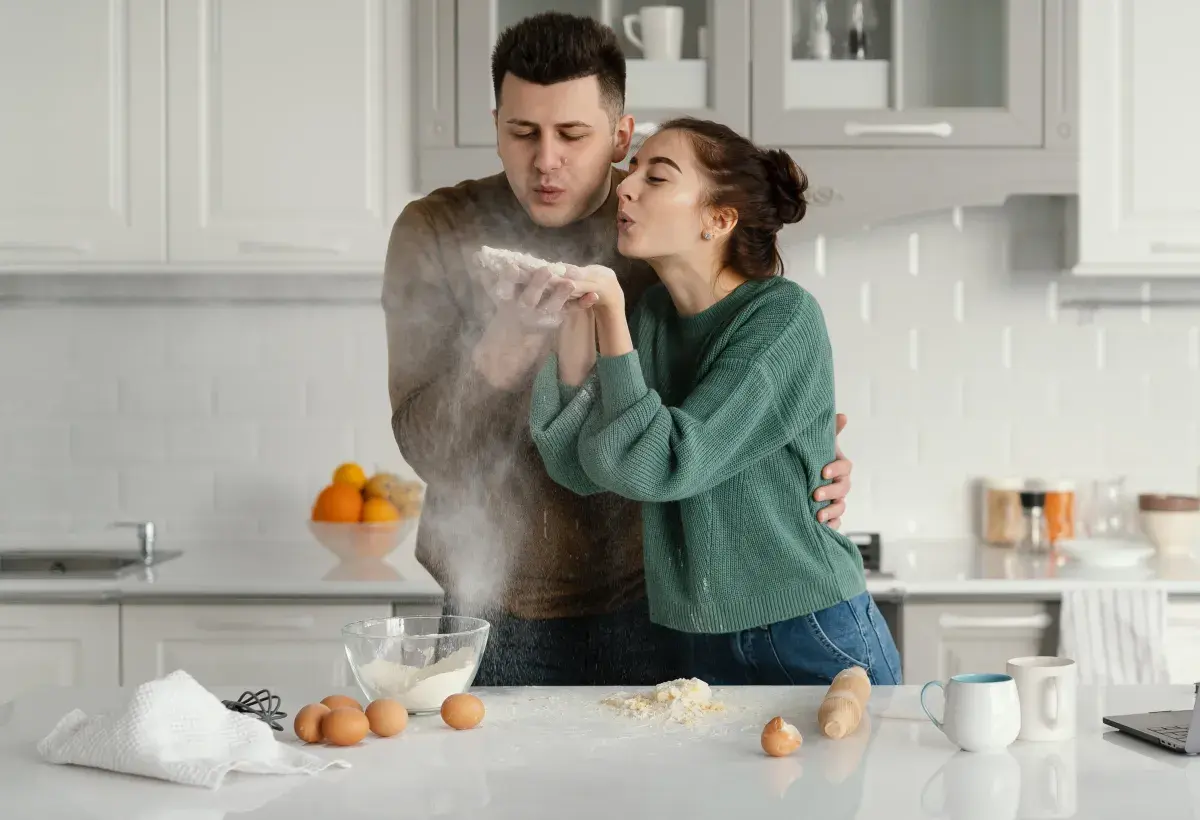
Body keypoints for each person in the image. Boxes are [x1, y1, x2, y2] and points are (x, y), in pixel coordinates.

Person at [382, 12, 857, 687]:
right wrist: (507, 344)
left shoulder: (660, 229)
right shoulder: (436, 231)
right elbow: (425, 446)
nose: (546, 159)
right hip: (496, 600)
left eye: (573, 135)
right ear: (495, 128)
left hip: (657, 597)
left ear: (620, 136)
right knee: (504, 793)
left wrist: (804, 457)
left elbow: (743, 378)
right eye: (522, 133)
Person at [529, 117, 902, 685]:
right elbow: (580, 467)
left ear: (719, 219)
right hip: (694, 639)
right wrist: (578, 317)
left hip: (810, 630)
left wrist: (609, 316)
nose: (625, 187)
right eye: (632, 171)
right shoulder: (652, 317)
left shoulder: (782, 318)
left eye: (657, 178)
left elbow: (674, 462)